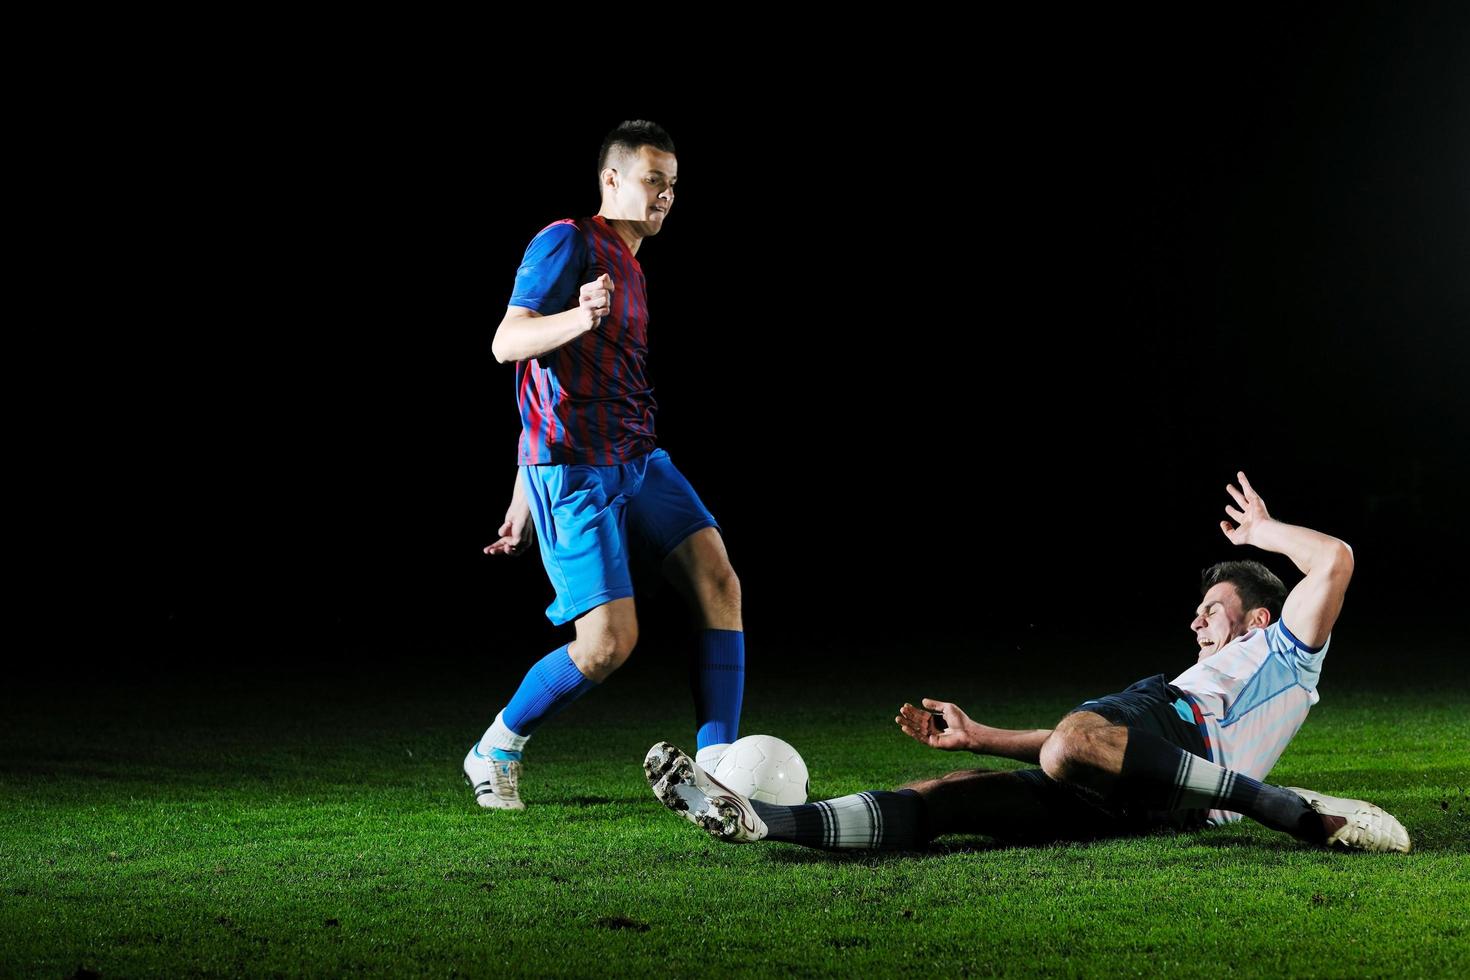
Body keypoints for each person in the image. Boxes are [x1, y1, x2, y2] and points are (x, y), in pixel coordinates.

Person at [646, 473, 1411, 853]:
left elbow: (1337, 560)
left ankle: (1275, 806)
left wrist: (1269, 530)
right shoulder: (1185, 682)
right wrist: (979, 735)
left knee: (1076, 740)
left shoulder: (1282, 655)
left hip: (1181, 751)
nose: (1195, 618)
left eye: (1212, 608)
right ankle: (763, 821)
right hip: (1154, 795)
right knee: (949, 793)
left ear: (1259, 619)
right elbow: (1084, 748)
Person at [465, 120, 746, 810]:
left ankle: (717, 768)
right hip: (576, 469)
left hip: (638, 456)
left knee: (718, 579)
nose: (666, 195)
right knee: (607, 644)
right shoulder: (567, 240)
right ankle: (496, 745)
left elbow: (549, 386)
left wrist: (516, 486)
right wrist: (579, 321)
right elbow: (509, 343)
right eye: (654, 179)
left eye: (673, 184)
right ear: (612, 179)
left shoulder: (632, 264)